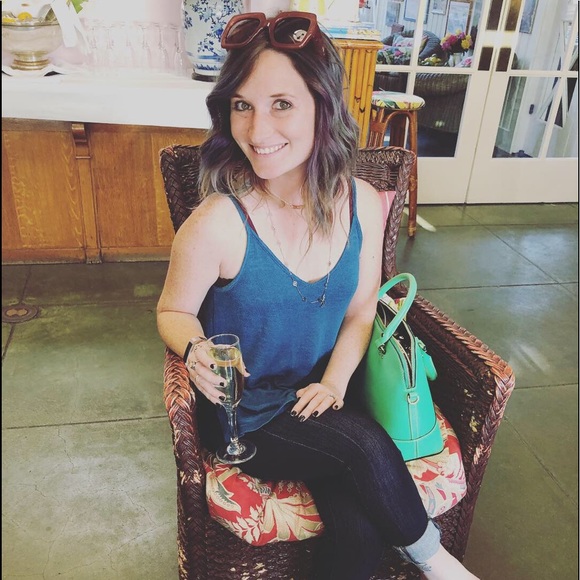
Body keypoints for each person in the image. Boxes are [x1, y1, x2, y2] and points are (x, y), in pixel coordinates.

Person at [157, 11, 478, 580]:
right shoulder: (215, 224)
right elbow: (172, 310)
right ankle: (438, 563)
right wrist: (195, 348)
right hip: (247, 414)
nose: (257, 130)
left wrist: (333, 383)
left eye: (282, 103)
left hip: (324, 396)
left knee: (358, 535)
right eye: (242, 105)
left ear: (323, 107)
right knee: (363, 448)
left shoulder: (362, 203)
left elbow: (361, 310)